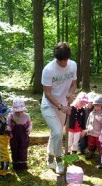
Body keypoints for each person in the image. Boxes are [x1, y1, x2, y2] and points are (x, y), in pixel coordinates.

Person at [41, 42, 77, 174]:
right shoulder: (48, 70)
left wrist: (71, 93)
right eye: (61, 61)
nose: (64, 64)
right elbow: (47, 93)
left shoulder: (73, 65)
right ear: (56, 58)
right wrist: (61, 107)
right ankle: (59, 160)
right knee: (57, 132)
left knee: (55, 133)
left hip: (64, 105)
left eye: (66, 60)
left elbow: (74, 83)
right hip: (49, 105)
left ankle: (50, 156)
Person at [7, 98, 32, 173]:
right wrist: (9, 132)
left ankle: (23, 165)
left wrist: (29, 129)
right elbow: (8, 125)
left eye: (21, 111)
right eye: (18, 112)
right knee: (14, 149)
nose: (20, 113)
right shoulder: (11, 116)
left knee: (23, 149)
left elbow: (30, 124)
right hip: (14, 136)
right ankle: (16, 165)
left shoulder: (27, 116)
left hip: (23, 135)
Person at [0, 103, 11, 179]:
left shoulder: (3, 118)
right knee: (3, 156)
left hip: (4, 140)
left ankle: (3, 171)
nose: (6, 114)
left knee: (4, 155)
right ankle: (0, 173)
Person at [85, 95, 102, 160]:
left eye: (99, 106)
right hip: (91, 132)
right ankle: (91, 151)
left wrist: (101, 120)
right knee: (91, 143)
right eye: (95, 105)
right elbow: (88, 121)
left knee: (100, 145)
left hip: (99, 133)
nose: (97, 107)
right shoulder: (92, 113)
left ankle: (101, 155)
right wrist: (88, 127)